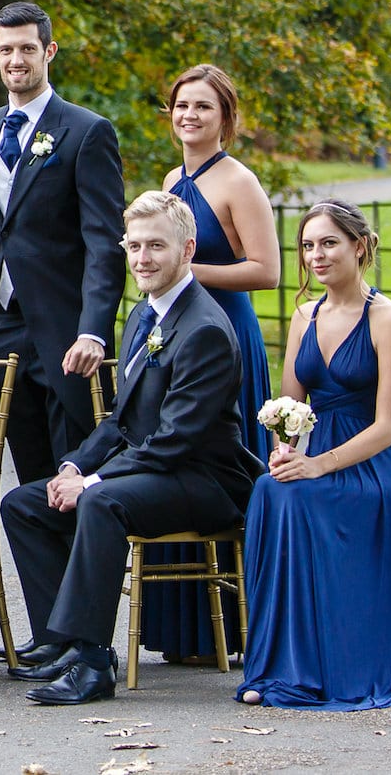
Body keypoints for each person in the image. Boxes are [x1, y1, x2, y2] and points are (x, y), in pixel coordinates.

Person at [0, 191, 261, 706]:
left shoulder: (204, 328)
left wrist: (92, 483)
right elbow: (121, 418)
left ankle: (93, 663)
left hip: (205, 480)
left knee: (101, 501)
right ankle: (64, 642)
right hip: (156, 471)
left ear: (187, 249)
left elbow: (174, 440)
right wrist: (74, 465)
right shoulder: (145, 314)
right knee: (25, 504)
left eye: (156, 247)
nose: (142, 258)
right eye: (134, 246)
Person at [239, 200, 391, 710]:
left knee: (306, 499)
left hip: (376, 466)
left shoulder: (389, 319)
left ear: (359, 246)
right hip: (316, 450)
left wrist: (318, 465)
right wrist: (285, 453)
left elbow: (389, 427)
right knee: (269, 491)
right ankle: (282, 664)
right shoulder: (305, 315)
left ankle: (336, 661)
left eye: (329, 243)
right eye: (307, 246)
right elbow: (287, 407)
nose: (316, 256)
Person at [142, 63, 280, 663]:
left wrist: (186, 272)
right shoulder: (174, 178)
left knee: (222, 460)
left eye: (202, 107)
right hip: (177, 338)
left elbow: (266, 271)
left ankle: (244, 625)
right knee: (174, 455)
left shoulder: (238, 181)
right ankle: (188, 631)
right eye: (181, 105)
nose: (189, 116)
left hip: (226, 339)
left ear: (225, 117)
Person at [0, 1, 125, 498]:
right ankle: (42, 582)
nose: (17, 59)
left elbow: (105, 243)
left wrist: (93, 331)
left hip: (67, 338)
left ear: (48, 51)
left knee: (74, 479)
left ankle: (81, 580)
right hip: (2, 333)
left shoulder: (86, 131)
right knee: (29, 481)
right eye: (7, 49)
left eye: (28, 48)